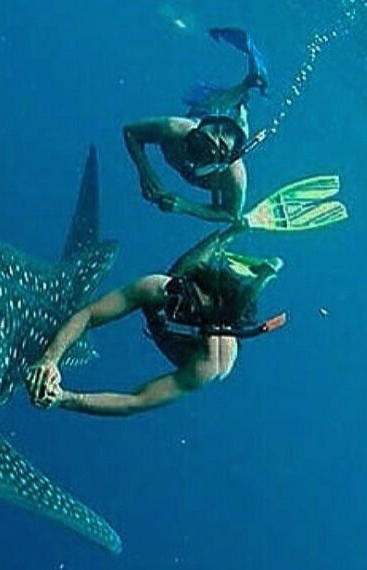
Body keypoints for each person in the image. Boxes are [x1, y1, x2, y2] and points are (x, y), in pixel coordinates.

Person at [25, 225, 286, 416]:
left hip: (209, 337)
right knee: (177, 271)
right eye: (183, 298)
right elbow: (88, 314)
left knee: (233, 303)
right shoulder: (162, 288)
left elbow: (134, 401)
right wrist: (50, 358)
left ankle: (263, 275)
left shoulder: (208, 365)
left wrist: (65, 398)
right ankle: (229, 236)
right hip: (182, 291)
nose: (178, 309)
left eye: (187, 310)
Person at [123, 28, 269, 224]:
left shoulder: (233, 176)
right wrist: (146, 174)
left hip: (216, 123)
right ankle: (249, 82)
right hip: (204, 112)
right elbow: (131, 131)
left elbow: (231, 214)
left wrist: (187, 207)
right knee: (213, 104)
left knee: (234, 107)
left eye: (212, 151)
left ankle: (249, 86)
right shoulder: (177, 128)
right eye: (197, 141)